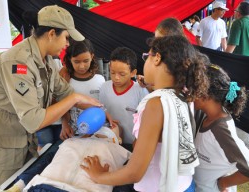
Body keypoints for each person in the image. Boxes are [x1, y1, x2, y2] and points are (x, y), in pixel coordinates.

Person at [0, 5, 101, 191]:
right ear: (52, 33)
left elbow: (64, 92)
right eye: (66, 37)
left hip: (22, 141)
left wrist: (100, 110)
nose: (68, 44)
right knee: (5, 187)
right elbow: (33, 120)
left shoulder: (47, 60)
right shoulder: (17, 62)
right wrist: (74, 99)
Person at [81, 35, 210, 192]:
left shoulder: (155, 104)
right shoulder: (183, 93)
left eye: (146, 57)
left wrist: (98, 176)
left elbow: (135, 172)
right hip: (183, 184)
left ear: (156, 59)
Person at [193, 64, 249, 192]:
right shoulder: (206, 115)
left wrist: (223, 183)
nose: (188, 92)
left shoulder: (221, 130)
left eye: (193, 88)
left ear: (205, 94)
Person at [98, 47, 149, 151]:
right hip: (110, 141)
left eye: (122, 74)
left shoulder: (140, 90)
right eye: (112, 72)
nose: (116, 77)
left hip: (133, 143)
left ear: (133, 73)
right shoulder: (104, 87)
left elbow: (145, 119)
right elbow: (101, 111)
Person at [60, 38, 106, 139]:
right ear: (69, 59)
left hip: (97, 133)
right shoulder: (66, 79)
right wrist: (64, 124)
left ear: (92, 57)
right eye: (76, 62)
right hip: (73, 134)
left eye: (86, 61)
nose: (81, 66)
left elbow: (102, 106)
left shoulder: (100, 80)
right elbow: (61, 105)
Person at [137, 17, 186, 90]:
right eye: (156, 39)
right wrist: (148, 81)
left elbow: (166, 85)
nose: (157, 43)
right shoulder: (156, 52)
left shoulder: (180, 59)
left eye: (161, 39)